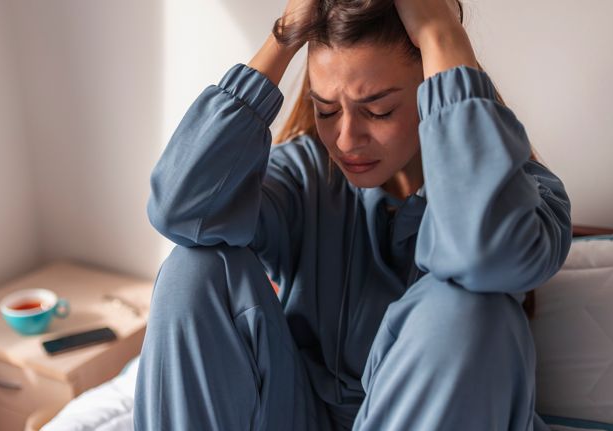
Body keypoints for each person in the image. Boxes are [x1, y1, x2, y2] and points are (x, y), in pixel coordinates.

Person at [134, 0, 572, 429]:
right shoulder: (306, 176)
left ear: (432, 84)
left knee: (468, 312)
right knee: (193, 268)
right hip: (296, 412)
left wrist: (441, 31)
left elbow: (484, 253)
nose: (345, 139)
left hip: (435, 412)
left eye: (378, 110)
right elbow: (180, 211)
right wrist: (284, 36)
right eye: (326, 110)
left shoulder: (526, 198)